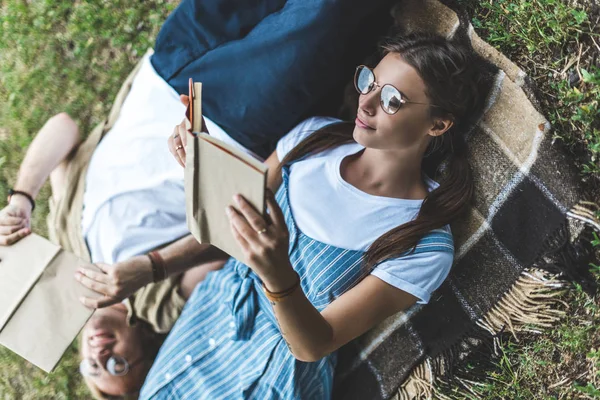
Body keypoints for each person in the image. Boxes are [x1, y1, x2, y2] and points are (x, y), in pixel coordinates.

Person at [0, 1, 393, 397]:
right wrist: (147, 269)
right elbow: (229, 247)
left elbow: (62, 128)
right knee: (327, 12)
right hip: (233, 121)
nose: (100, 354)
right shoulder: (159, 305)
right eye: (116, 366)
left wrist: (23, 198)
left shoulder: (62, 239)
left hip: (169, 65)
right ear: (148, 353)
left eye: (92, 367)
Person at [135, 31, 484, 399]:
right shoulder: (313, 137)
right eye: (370, 83)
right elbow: (229, 225)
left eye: (393, 100)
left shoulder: (422, 242)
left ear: (438, 124)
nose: (366, 104)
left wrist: (277, 274)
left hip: (273, 376)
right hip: (211, 314)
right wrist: (207, 166)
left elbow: (314, 345)